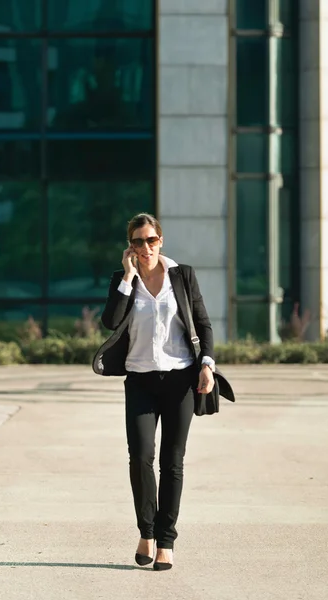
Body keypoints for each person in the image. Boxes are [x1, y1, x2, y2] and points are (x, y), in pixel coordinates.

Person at [99, 213, 216, 571]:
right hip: (139, 380)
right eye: (137, 242)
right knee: (140, 458)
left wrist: (207, 364)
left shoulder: (182, 275)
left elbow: (203, 324)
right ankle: (146, 532)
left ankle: (166, 540)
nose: (145, 247)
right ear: (129, 246)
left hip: (180, 379)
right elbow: (111, 321)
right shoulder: (123, 280)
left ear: (160, 240)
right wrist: (129, 277)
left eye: (151, 240)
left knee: (172, 463)